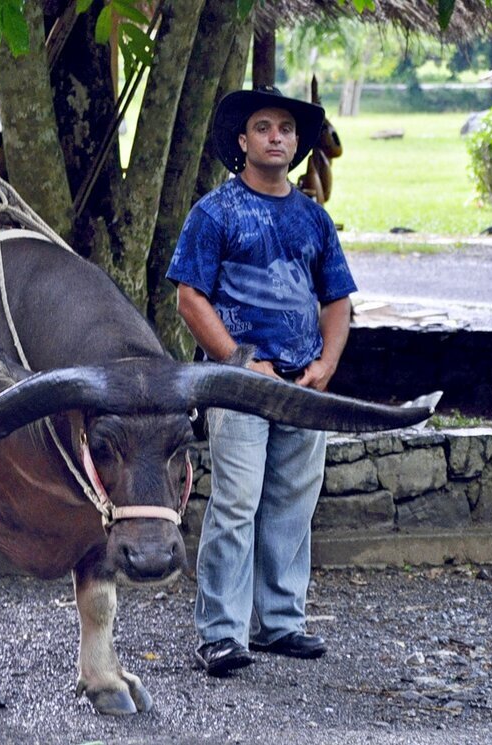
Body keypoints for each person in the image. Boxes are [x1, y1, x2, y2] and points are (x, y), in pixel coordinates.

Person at [165, 86, 357, 677]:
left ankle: (280, 622)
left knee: (293, 505)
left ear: (297, 144)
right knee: (237, 503)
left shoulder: (313, 219)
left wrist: (326, 362)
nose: (276, 136)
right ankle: (221, 633)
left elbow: (337, 299)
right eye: (263, 127)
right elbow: (189, 298)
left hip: (303, 383)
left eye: (286, 129)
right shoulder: (215, 213)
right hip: (241, 385)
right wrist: (237, 360)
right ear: (242, 142)